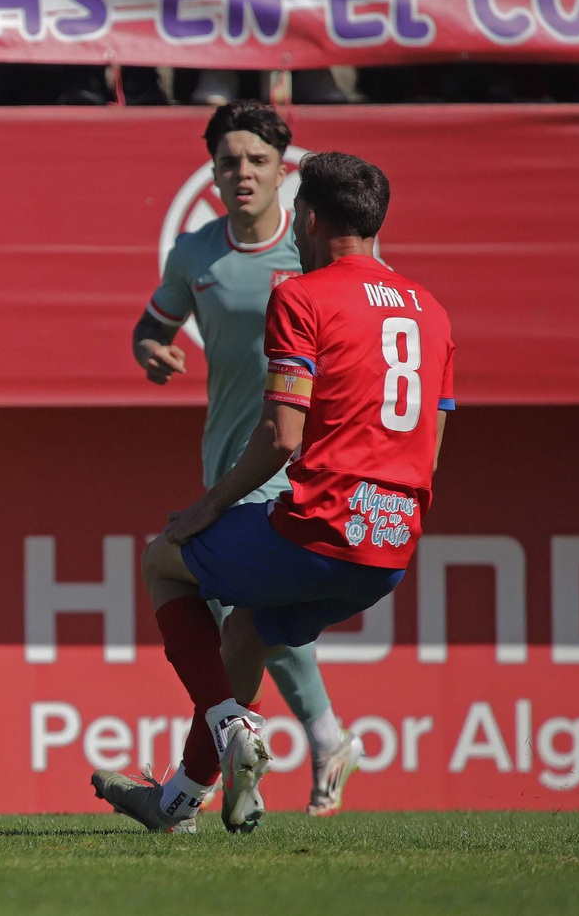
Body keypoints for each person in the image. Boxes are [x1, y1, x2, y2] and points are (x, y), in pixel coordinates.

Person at [95, 151, 453, 833]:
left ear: (309, 219)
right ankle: (177, 804)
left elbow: (281, 437)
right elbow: (430, 447)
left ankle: (234, 726)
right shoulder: (430, 310)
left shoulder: (301, 294)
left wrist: (208, 508)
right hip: (390, 550)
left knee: (162, 559)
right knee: (247, 634)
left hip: (320, 528)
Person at [127, 100, 364, 828]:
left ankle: (260, 758)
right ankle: (264, 764)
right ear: (213, 170)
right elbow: (151, 325)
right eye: (229, 161)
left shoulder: (312, 252)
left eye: (258, 160)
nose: (243, 173)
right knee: (247, 618)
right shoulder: (196, 252)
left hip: (293, 451)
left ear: (282, 169)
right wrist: (151, 351)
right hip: (226, 452)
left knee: (235, 604)